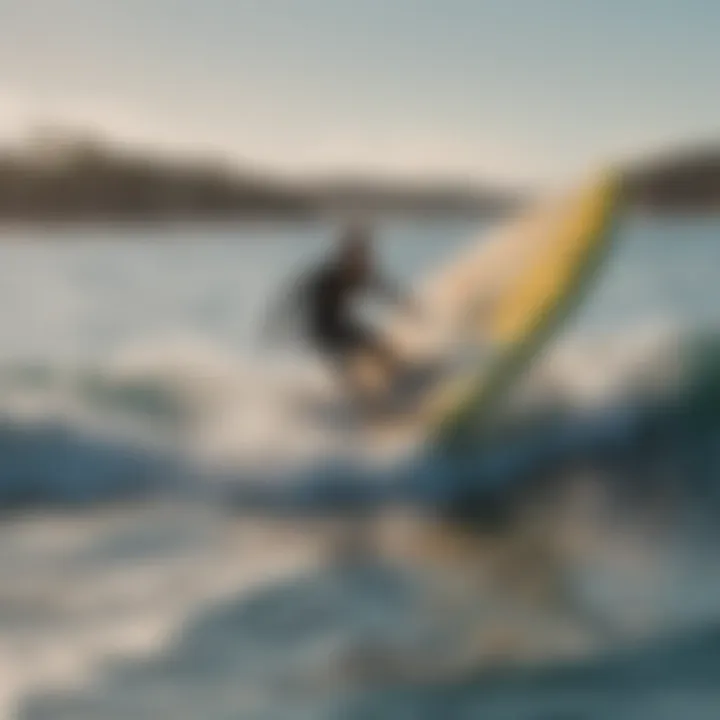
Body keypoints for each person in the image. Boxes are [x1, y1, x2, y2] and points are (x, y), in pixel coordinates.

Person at [264, 222, 415, 405]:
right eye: (355, 255)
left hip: (341, 325)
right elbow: (295, 297)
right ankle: (364, 403)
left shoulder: (361, 273)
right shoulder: (327, 276)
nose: (362, 260)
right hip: (322, 330)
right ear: (346, 256)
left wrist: (407, 306)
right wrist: (275, 325)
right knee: (349, 366)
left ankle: (403, 383)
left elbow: (384, 289)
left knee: (379, 347)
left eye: (363, 255)